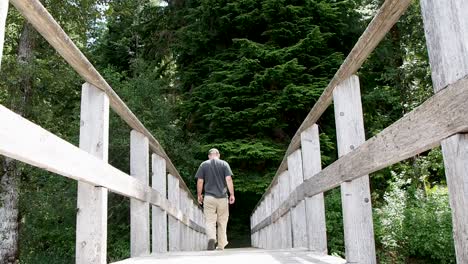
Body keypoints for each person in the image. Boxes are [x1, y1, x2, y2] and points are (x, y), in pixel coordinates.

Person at [195, 148, 235, 250]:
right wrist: (232, 194)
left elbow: (200, 181)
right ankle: (221, 245)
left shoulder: (203, 165)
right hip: (222, 197)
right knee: (222, 221)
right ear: (218, 155)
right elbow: (229, 179)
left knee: (210, 221)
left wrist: (199, 195)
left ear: (209, 156)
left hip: (209, 197)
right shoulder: (224, 164)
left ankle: (212, 238)